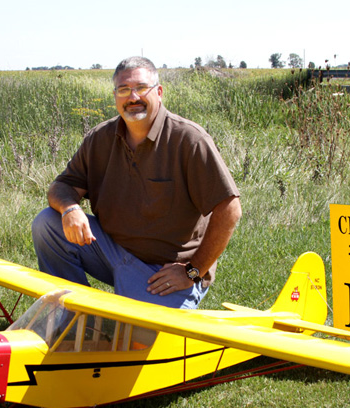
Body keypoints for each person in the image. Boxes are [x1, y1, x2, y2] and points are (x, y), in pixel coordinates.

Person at [32, 56, 241, 309]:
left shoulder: (189, 140)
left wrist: (193, 271)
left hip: (163, 272)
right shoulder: (100, 138)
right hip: (112, 252)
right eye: (124, 90)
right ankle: (73, 314)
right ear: (115, 96)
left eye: (142, 88)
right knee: (47, 223)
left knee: (137, 344)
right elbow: (62, 187)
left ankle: (164, 295)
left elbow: (229, 209)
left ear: (159, 92)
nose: (133, 97)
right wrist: (70, 208)